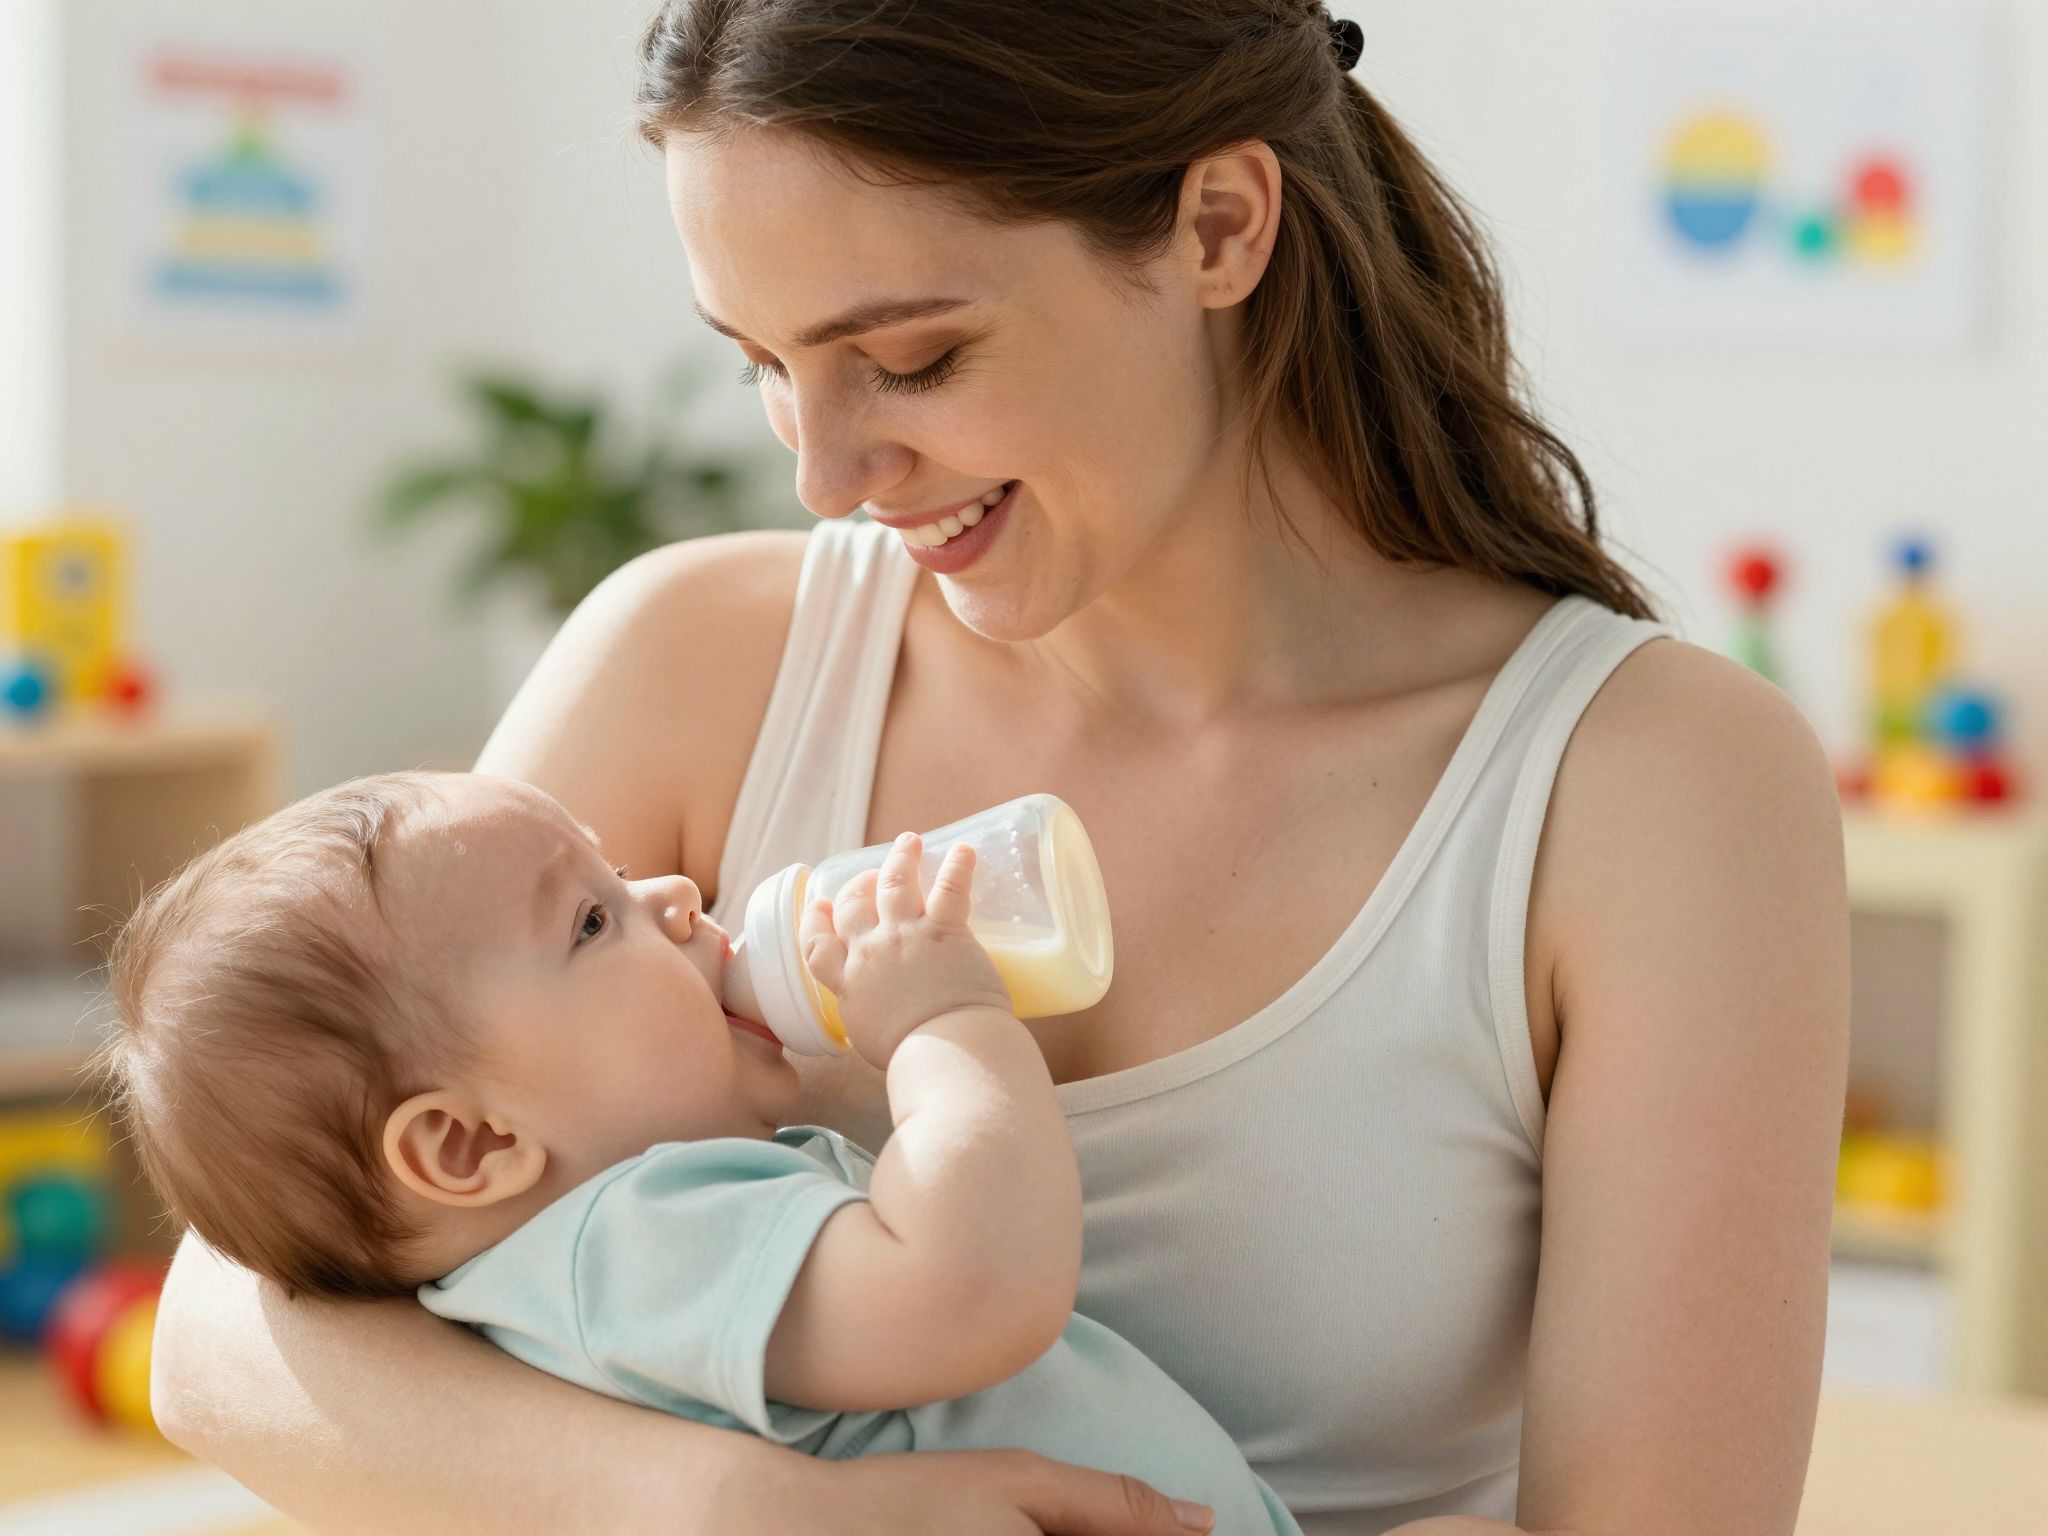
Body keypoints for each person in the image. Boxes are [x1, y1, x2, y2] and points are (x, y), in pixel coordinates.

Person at [149, 2, 1850, 1532]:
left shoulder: (1649, 785)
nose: (825, 476)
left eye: (911, 360)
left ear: (1219, 225)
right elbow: (232, 1334)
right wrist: (745, 1512)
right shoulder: (696, 658)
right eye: (763, 366)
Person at [105, 771, 1297, 1535]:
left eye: (616, 874)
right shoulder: (632, 1240)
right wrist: (945, 1025)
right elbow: (973, 1288)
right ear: (470, 1143)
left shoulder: (605, 1259)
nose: (674, 894)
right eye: (591, 920)